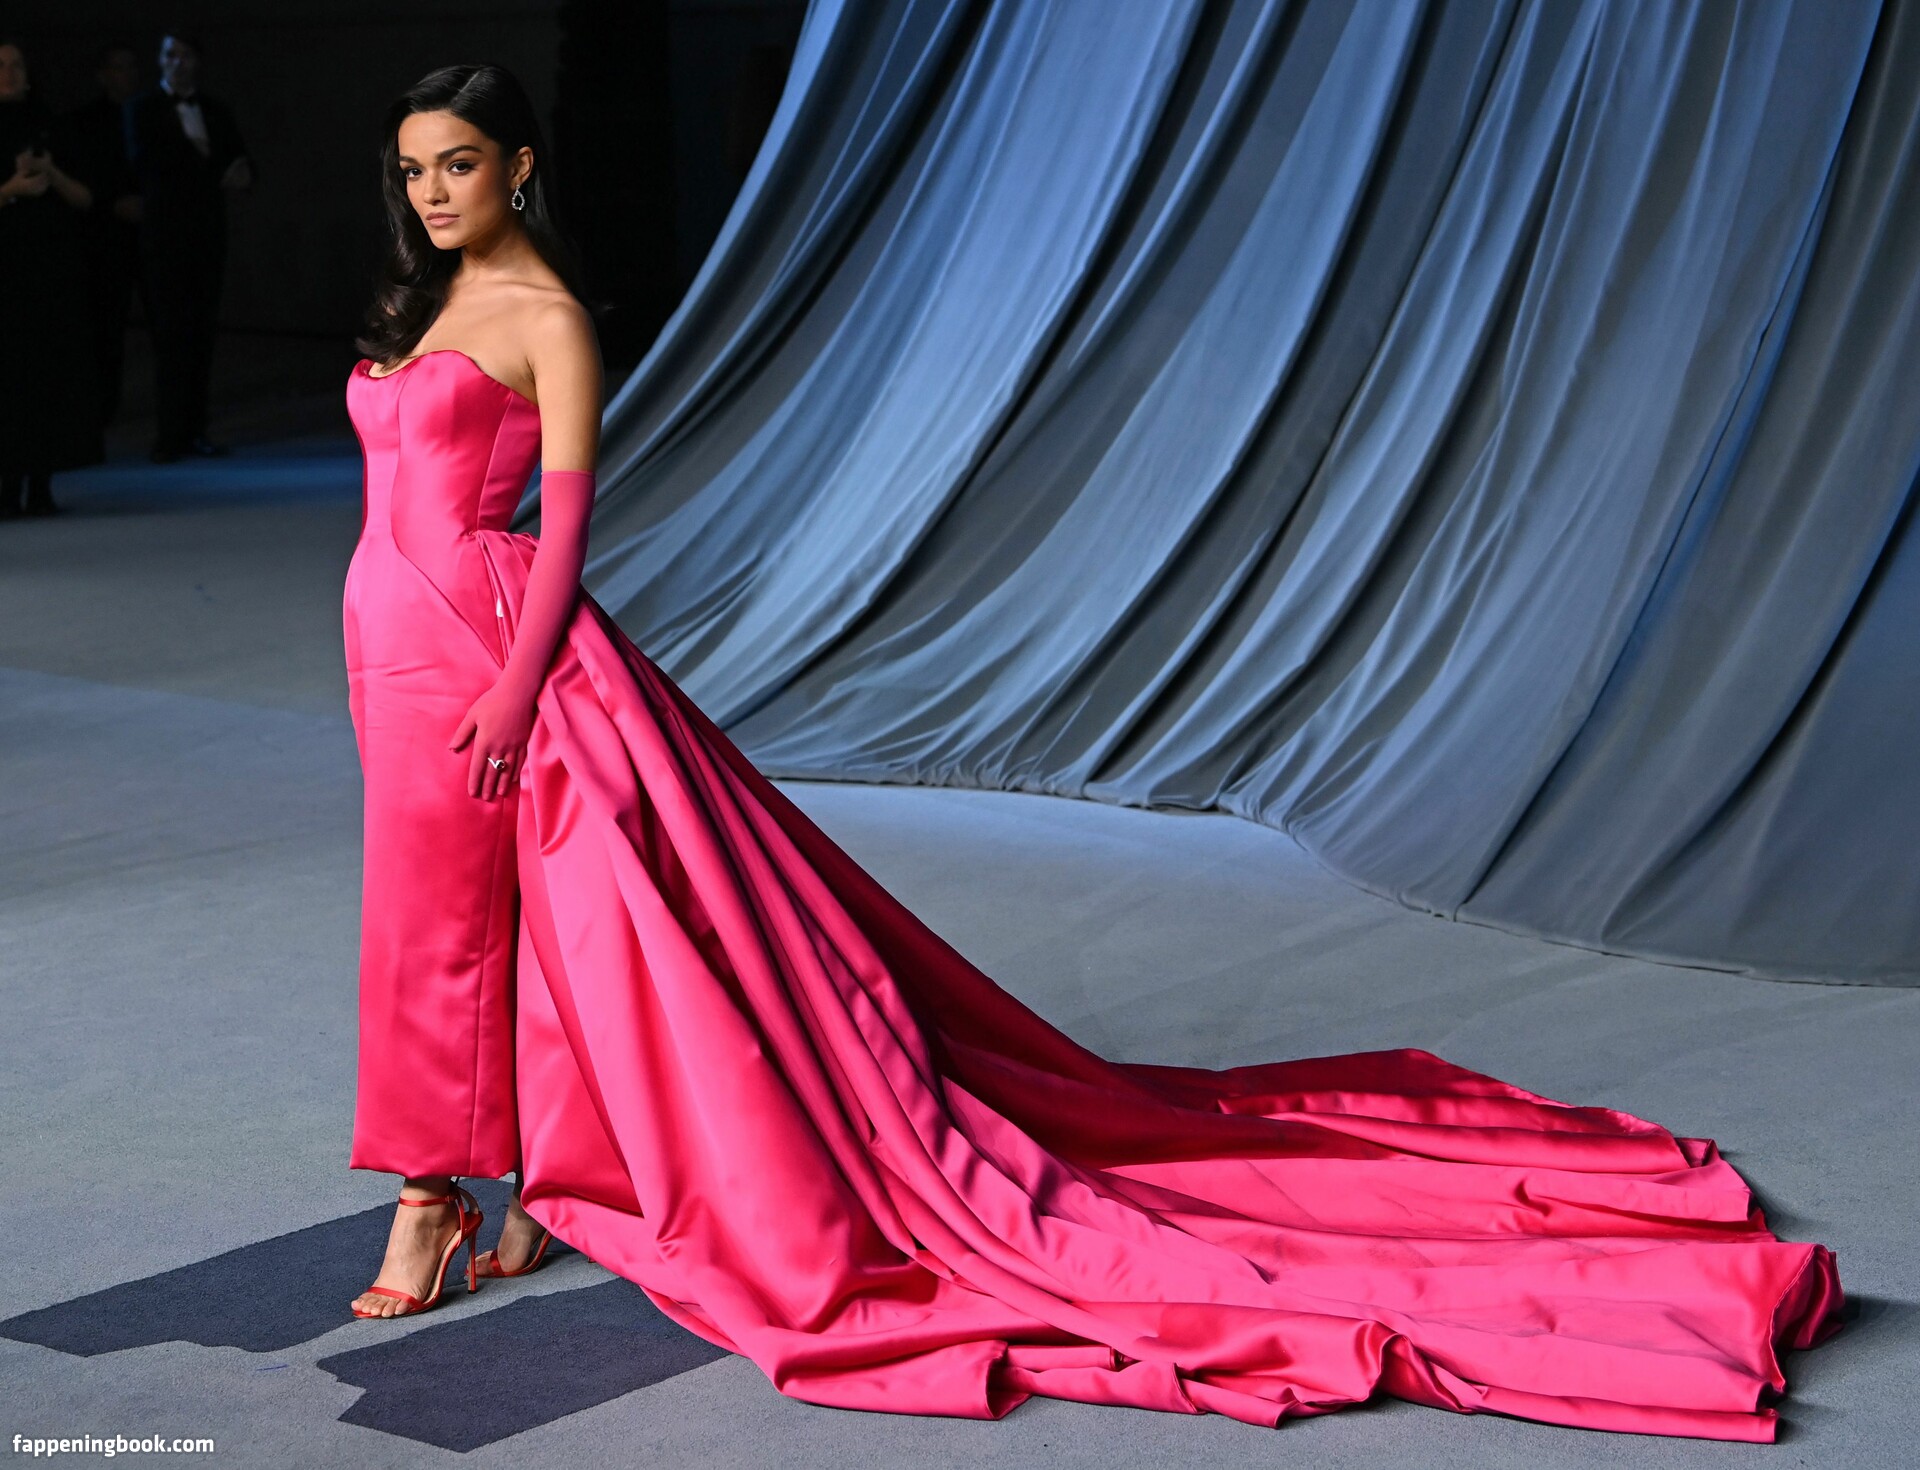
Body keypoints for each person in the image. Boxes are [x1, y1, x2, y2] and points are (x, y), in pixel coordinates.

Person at [343, 62, 1846, 1444]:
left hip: (501, 654)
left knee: (521, 928)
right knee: (461, 922)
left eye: (459, 164)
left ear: (519, 167)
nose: (433, 192)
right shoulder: (423, 305)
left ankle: (432, 1199)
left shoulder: (547, 318)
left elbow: (566, 532)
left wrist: (519, 684)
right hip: (391, 652)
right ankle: (527, 1188)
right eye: (414, 169)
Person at [125, 29, 252, 463]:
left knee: (201, 335)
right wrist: (209, 169)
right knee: (169, 336)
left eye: (184, 55)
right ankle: (170, 433)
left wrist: (241, 173)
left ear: (197, 61)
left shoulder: (214, 109)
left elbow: (238, 158)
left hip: (206, 235)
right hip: (164, 238)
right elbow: (150, 164)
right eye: (169, 55)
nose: (177, 63)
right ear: (160, 61)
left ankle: (195, 429)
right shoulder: (143, 108)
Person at [0, 36, 103, 518]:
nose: (10, 73)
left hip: (50, 269)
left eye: (17, 65)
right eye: (2, 65)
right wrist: (10, 188)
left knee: (46, 375)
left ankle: (41, 482)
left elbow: (87, 198)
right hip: (6, 271)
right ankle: (8, 484)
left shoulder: (52, 123)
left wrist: (52, 174)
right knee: (9, 376)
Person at [63, 42, 144, 428]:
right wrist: (112, 202)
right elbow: (82, 173)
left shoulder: (151, 114)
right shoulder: (86, 122)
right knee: (105, 324)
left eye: (131, 66)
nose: (126, 74)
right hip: (105, 235)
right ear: (103, 75)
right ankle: (100, 406)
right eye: (118, 67)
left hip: (150, 233)